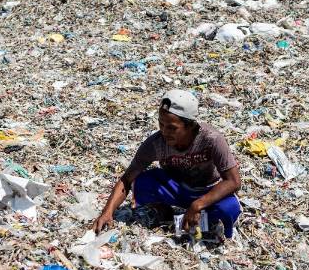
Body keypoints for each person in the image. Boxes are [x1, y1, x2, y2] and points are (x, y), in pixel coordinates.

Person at [93, 90, 242, 238]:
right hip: (177, 189)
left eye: (172, 128)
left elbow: (234, 181)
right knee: (142, 182)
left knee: (229, 209)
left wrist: (198, 204)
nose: (164, 131)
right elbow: (127, 179)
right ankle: (167, 214)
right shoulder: (155, 143)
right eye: (161, 124)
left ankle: (195, 221)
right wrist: (107, 212)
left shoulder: (211, 139)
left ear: (190, 125)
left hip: (207, 190)